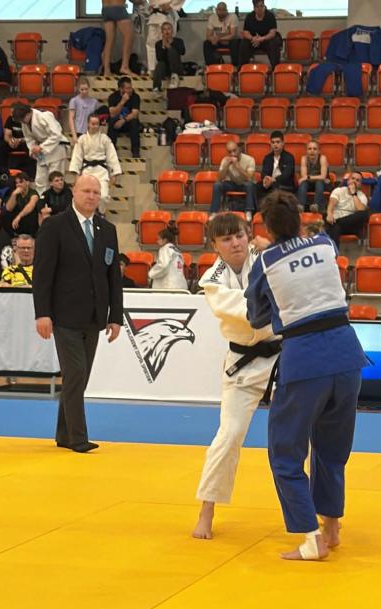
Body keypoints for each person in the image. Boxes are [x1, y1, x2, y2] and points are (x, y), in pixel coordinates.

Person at [245, 190, 366, 561]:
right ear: (299, 219)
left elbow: (256, 318)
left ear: (266, 228)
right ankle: (331, 526)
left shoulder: (264, 262)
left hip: (305, 360)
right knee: (331, 448)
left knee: (285, 453)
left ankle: (311, 539)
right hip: (346, 353)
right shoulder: (325, 243)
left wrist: (267, 256)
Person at [193, 212, 280, 540]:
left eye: (240, 235)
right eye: (226, 239)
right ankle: (207, 509)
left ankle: (323, 514)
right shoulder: (212, 280)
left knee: (305, 434)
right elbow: (252, 313)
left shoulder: (268, 257)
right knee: (228, 436)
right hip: (243, 363)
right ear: (214, 245)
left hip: (283, 357)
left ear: (248, 235)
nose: (236, 243)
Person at [33, 174, 123, 453]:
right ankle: (78, 438)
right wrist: (42, 313)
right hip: (64, 316)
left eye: (96, 191)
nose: (91, 196)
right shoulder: (54, 226)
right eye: (86, 190)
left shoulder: (107, 229)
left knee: (79, 378)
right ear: (74, 192)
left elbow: (113, 277)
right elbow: (42, 273)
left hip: (94, 317)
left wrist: (115, 316)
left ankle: (64, 433)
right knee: (76, 374)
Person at [12, 102, 68, 197]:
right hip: (42, 153)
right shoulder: (25, 122)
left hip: (56, 148)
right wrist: (32, 149)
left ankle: (56, 202)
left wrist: (42, 147)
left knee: (55, 179)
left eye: (23, 119)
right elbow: (29, 138)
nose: (23, 122)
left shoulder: (44, 116)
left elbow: (56, 134)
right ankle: (41, 201)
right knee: (40, 180)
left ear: (28, 113)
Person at [69, 113, 122, 214]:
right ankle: (89, 214)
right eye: (93, 124)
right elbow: (77, 157)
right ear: (88, 124)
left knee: (103, 196)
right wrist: (76, 175)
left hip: (101, 171)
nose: (95, 126)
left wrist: (114, 173)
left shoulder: (105, 139)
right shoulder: (82, 139)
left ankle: (101, 213)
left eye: (97, 124)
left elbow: (112, 157)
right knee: (86, 196)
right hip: (87, 172)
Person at [209, 140, 257, 222]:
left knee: (250, 185)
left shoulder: (250, 159)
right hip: (231, 184)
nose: (233, 154)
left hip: (244, 184)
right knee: (217, 185)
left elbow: (250, 178)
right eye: (229, 152)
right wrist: (226, 166)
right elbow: (219, 178)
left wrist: (238, 167)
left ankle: (248, 211)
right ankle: (214, 212)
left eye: (234, 150)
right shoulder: (225, 160)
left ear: (239, 149)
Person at [325, 171, 369, 248]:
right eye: (353, 178)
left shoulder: (362, 196)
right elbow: (331, 204)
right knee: (335, 227)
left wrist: (353, 194)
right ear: (348, 180)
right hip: (334, 220)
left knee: (364, 213)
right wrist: (329, 214)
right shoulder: (339, 190)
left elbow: (360, 210)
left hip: (350, 225)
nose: (354, 181)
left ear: (360, 184)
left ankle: (337, 223)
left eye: (357, 180)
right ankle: (334, 253)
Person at [239, 0, 283, 70]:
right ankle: (242, 69)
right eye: (257, 7)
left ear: (264, 6)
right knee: (244, 43)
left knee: (273, 43)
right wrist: (252, 38)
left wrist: (262, 38)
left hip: (266, 39)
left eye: (262, 6)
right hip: (253, 41)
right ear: (254, 8)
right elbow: (245, 32)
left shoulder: (270, 16)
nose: (260, 9)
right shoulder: (249, 17)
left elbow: (272, 33)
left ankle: (276, 69)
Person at [256, 130, 295, 206]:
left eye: (277, 142)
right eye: (273, 142)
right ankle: (261, 208)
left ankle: (273, 209)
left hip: (284, 184)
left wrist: (273, 180)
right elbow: (263, 173)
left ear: (283, 143)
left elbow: (287, 175)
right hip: (270, 183)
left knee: (274, 185)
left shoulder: (289, 157)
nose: (275, 144)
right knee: (257, 186)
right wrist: (266, 179)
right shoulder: (267, 158)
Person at [146, 0, 183, 75]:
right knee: (151, 44)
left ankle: (170, 70)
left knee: (167, 43)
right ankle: (152, 69)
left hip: (167, 14)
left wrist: (171, 5)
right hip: (154, 14)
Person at [108, 76, 141, 158]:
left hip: (128, 123)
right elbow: (112, 114)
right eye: (127, 88)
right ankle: (111, 151)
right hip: (117, 124)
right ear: (121, 89)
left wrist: (123, 120)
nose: (130, 90)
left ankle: (135, 152)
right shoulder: (113, 97)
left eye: (131, 87)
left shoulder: (135, 97)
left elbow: (135, 114)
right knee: (112, 121)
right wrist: (122, 102)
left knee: (134, 122)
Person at [148, 223, 188, 290]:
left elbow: (163, 265)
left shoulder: (165, 249)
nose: (157, 241)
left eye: (159, 239)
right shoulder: (177, 250)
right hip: (180, 284)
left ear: (165, 240)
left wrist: (151, 273)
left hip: (168, 285)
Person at [1, 171, 39, 237]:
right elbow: (9, 209)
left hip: (30, 220)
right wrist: (14, 194)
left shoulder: (33, 193)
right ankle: (11, 235)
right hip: (19, 221)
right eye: (16, 183)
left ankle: (31, 235)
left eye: (21, 182)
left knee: (29, 214)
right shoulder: (16, 194)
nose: (18, 185)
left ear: (27, 183)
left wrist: (19, 216)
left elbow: (30, 206)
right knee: (5, 214)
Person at [102, 0, 134, 77]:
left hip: (105, 9)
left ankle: (106, 70)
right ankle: (125, 66)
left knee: (109, 40)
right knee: (128, 36)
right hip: (118, 8)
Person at [203, 2, 240, 67]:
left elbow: (233, 35)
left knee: (235, 42)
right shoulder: (212, 17)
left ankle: (235, 66)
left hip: (230, 41)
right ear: (216, 10)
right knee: (206, 43)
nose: (221, 12)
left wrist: (218, 39)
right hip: (218, 42)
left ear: (226, 10)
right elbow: (208, 35)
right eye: (219, 10)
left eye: (223, 10)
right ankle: (211, 66)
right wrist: (213, 39)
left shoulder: (233, 17)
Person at [297, 140, 329, 213]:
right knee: (303, 184)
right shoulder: (304, 159)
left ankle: (316, 206)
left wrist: (308, 177)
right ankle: (300, 207)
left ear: (319, 151)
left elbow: (323, 176)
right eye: (309, 149)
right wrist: (307, 178)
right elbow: (304, 176)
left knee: (319, 182)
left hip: (323, 183)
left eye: (315, 149)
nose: (312, 151)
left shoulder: (322, 158)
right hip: (309, 183)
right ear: (306, 151)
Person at [3, 106, 35, 177]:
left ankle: (31, 174)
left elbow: (32, 137)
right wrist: (10, 141)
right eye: (11, 113)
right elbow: (7, 135)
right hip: (14, 142)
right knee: (1, 146)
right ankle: (4, 172)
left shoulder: (26, 120)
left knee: (30, 147)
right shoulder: (10, 119)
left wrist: (20, 140)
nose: (11, 114)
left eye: (13, 113)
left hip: (25, 142)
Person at [153, 22, 185, 92]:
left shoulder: (179, 41)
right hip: (165, 68)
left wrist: (169, 46)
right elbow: (159, 58)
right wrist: (163, 47)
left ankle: (174, 77)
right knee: (160, 64)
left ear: (172, 30)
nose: (167, 31)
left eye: (168, 29)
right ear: (162, 32)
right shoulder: (158, 44)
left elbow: (182, 52)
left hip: (177, 67)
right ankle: (156, 88)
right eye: (164, 29)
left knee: (171, 51)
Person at [68, 77, 100, 142]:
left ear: (89, 88)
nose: (84, 91)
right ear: (78, 89)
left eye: (86, 89)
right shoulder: (74, 101)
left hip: (91, 132)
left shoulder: (94, 102)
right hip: (78, 131)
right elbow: (71, 118)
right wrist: (74, 135)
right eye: (82, 89)